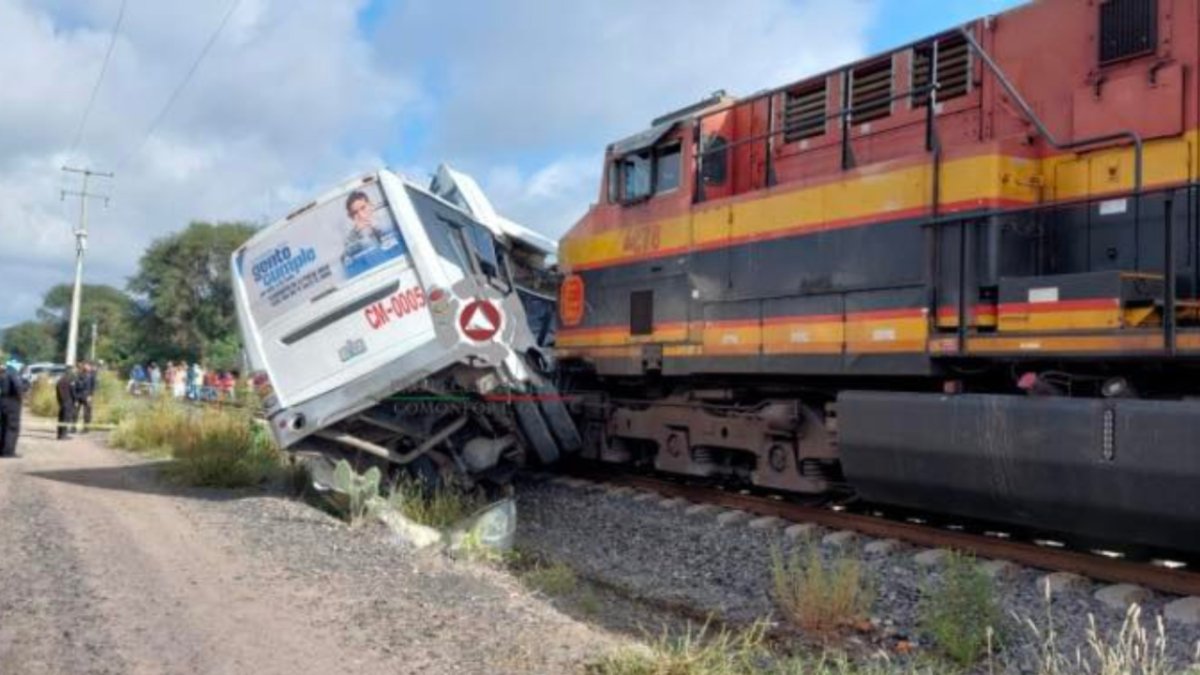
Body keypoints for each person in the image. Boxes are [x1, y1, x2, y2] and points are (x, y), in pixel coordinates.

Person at [0, 359, 25, 457]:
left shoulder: (3, 375)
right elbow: (18, 387)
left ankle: (2, 450)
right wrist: (21, 398)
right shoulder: (13, 374)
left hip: (3, 402)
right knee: (12, 427)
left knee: (3, 427)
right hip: (12, 403)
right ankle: (8, 451)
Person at [73, 361, 97, 434]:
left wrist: (90, 395)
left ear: (89, 367)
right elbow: (75, 385)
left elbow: (93, 387)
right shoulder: (79, 374)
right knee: (75, 412)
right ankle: (73, 427)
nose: (86, 367)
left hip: (87, 395)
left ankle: (86, 428)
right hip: (78, 395)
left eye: (87, 366)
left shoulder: (92, 375)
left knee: (87, 413)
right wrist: (75, 397)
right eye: (85, 366)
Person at [56, 367, 77, 440]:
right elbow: (73, 392)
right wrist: (75, 400)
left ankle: (59, 434)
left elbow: (58, 394)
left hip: (61, 402)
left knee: (61, 418)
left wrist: (59, 401)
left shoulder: (59, 381)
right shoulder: (70, 381)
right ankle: (64, 435)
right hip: (68, 401)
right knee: (66, 418)